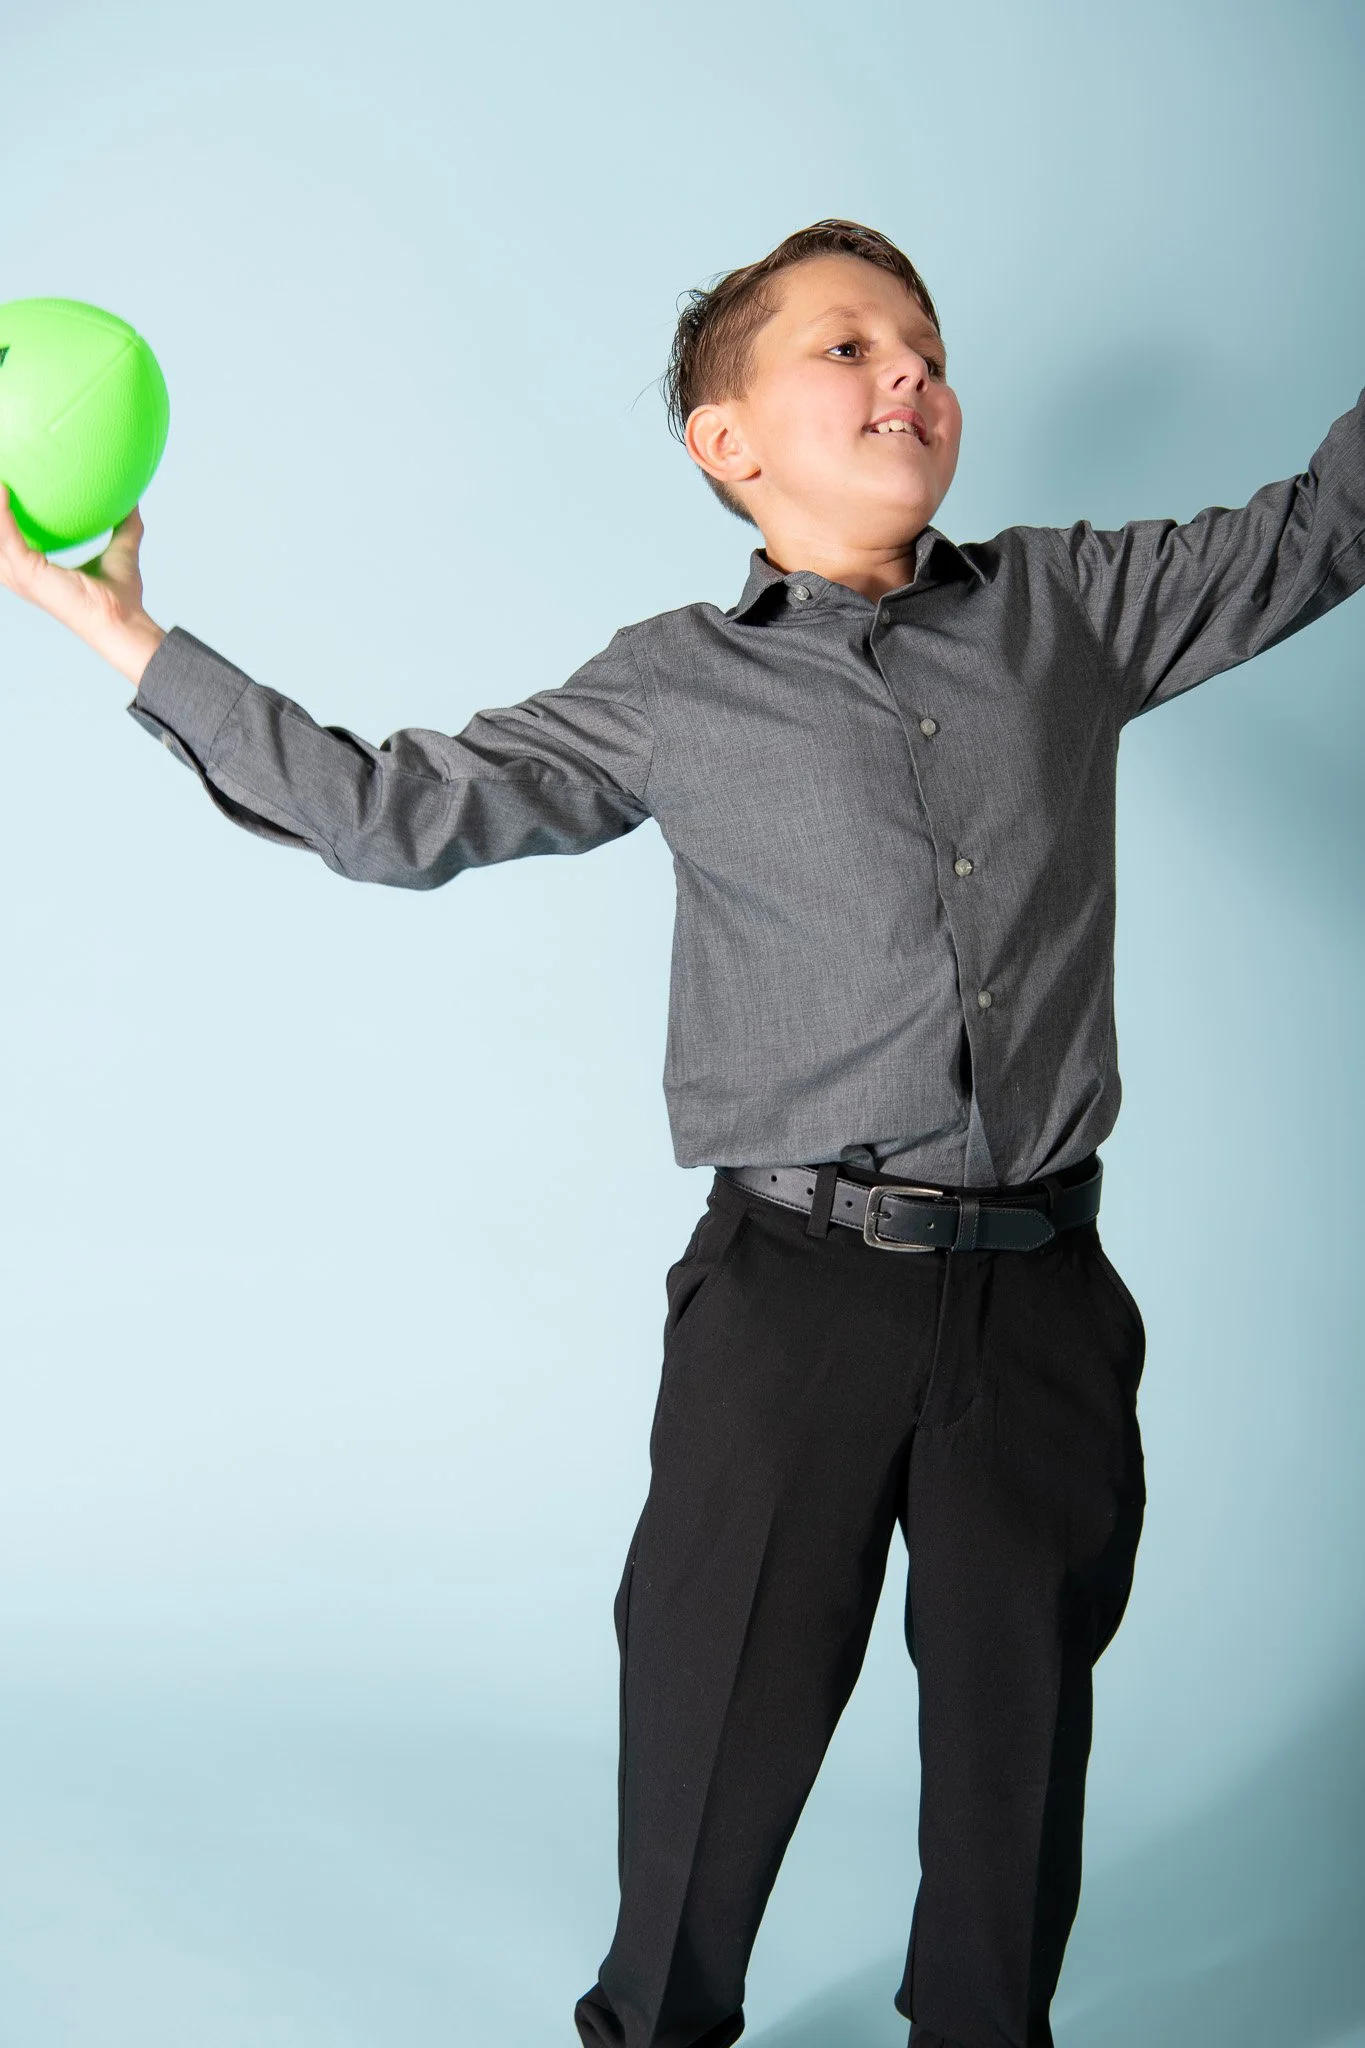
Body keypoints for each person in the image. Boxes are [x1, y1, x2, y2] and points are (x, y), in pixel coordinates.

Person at [2, 217, 1362, 2048]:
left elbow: (1324, 526)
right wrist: (123, 631)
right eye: (846, 346)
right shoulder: (669, 687)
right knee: (716, 1726)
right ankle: (659, 2026)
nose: (908, 372)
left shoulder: (1071, 608)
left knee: (1014, 1749)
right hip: (793, 1299)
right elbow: (393, 814)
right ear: (725, 441)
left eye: (926, 345)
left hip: (1045, 1296)